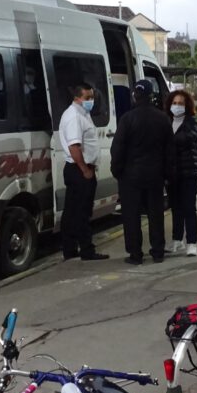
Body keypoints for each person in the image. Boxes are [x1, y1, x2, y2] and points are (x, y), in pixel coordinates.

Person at [111, 79, 174, 264]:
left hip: (131, 176)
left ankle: (135, 254)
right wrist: (168, 174)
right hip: (155, 176)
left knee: (131, 216)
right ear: (151, 95)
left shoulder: (127, 119)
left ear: (135, 95)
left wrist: (117, 171)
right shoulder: (162, 118)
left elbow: (117, 149)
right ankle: (158, 252)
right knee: (156, 215)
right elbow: (170, 150)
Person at [59, 82, 109, 261]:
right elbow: (74, 146)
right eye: (87, 98)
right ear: (77, 97)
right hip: (79, 169)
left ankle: (70, 248)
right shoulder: (74, 116)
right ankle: (86, 249)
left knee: (73, 211)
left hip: (80, 168)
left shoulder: (83, 113)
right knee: (81, 212)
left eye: (92, 97)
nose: (91, 101)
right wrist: (84, 170)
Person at [164, 89, 197, 256]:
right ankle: (177, 240)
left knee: (188, 208)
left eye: (180, 103)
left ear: (186, 106)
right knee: (176, 208)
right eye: (174, 103)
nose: (177, 106)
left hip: (189, 173)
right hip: (173, 174)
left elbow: (189, 138)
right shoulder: (166, 122)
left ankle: (192, 242)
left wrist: (168, 140)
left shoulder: (191, 122)